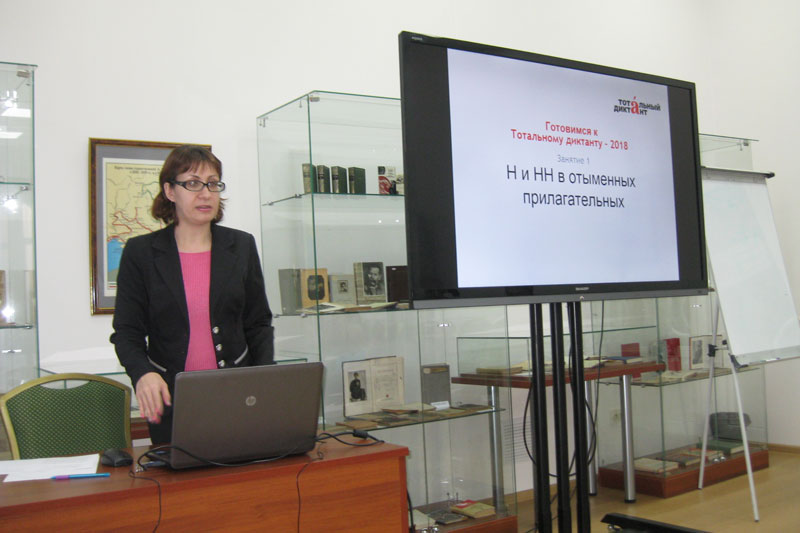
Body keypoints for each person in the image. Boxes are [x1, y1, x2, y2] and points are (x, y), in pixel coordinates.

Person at [110, 145, 274, 444]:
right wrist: (142, 373)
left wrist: (262, 382)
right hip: (171, 399)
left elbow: (258, 323)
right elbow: (126, 331)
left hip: (239, 397)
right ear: (170, 191)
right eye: (193, 183)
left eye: (212, 184)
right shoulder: (141, 252)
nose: (205, 194)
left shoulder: (241, 246)